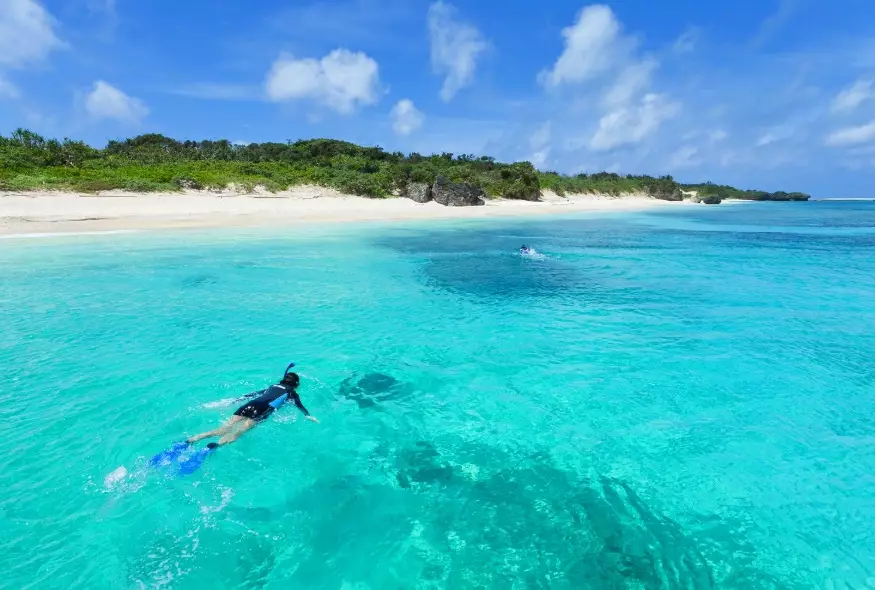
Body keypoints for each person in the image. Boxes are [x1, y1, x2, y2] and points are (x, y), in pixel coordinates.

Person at [187, 370, 318, 449]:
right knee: (238, 432)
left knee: (223, 428)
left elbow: (255, 394)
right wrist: (308, 415)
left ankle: (195, 438)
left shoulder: (273, 385)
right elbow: (300, 406)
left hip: (249, 405)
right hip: (261, 410)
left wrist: (238, 399)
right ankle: (217, 446)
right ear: (296, 385)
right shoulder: (292, 393)